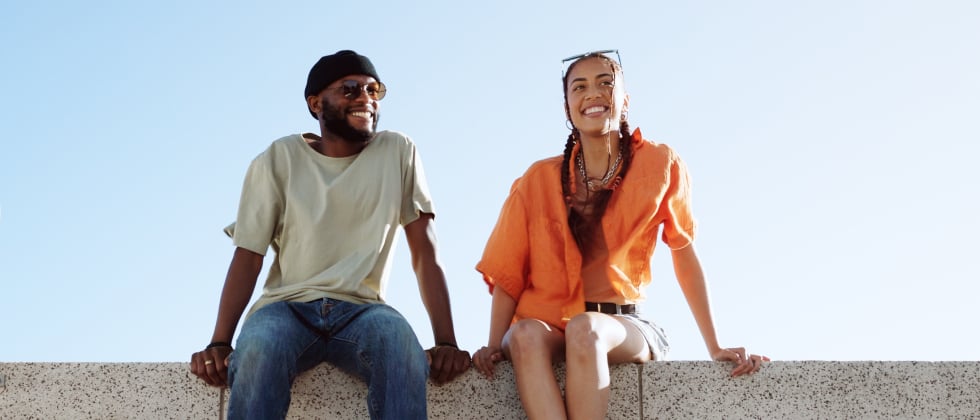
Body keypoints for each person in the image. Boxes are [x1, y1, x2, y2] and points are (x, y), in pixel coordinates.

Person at [471, 50, 768, 419]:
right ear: (567, 108)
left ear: (625, 100)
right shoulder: (536, 180)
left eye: (605, 83)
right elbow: (508, 273)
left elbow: (684, 254)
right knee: (524, 335)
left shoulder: (661, 164)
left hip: (623, 326)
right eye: (579, 87)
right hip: (551, 326)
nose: (593, 94)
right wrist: (492, 345)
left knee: (585, 329)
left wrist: (715, 345)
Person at [189, 50, 471, 420]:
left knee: (400, 345)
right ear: (316, 103)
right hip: (286, 308)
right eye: (350, 89)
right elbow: (249, 254)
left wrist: (446, 341)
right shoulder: (279, 157)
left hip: (364, 310)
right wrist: (219, 341)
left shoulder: (398, 150)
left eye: (373, 90)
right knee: (259, 347)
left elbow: (425, 251)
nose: (365, 99)